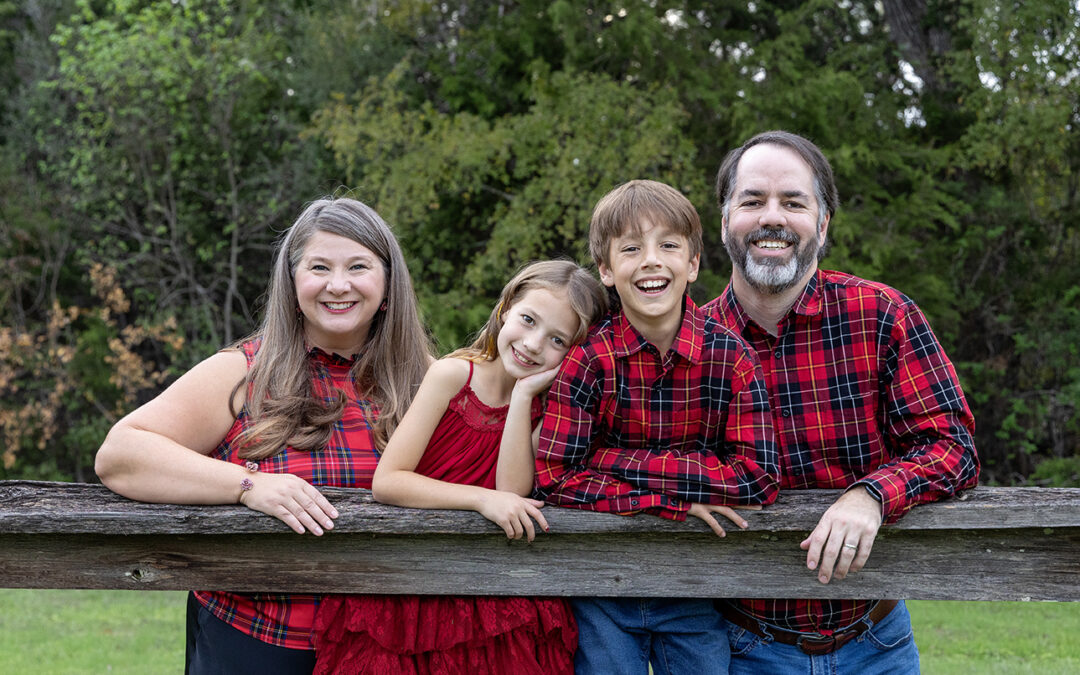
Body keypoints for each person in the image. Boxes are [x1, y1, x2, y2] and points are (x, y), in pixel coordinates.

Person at [94, 197, 434, 674]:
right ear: (292, 281)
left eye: (358, 266)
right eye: (319, 267)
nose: (338, 285)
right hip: (255, 640)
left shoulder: (433, 383)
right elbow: (122, 455)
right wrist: (249, 485)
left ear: (388, 282)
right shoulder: (242, 371)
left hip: (389, 645)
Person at [706, 130, 980, 674]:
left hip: (877, 642)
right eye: (752, 200)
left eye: (793, 202)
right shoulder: (692, 343)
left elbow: (954, 446)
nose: (772, 218)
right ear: (724, 220)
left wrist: (871, 496)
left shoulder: (881, 315)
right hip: (741, 648)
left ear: (823, 224)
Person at [311, 259, 608, 674]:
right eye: (528, 320)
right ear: (505, 309)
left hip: (496, 593)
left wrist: (522, 398)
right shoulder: (453, 375)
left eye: (557, 340)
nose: (534, 344)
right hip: (413, 587)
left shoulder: (548, 410)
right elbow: (389, 481)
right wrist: (479, 500)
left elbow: (512, 489)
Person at [534, 180, 780, 675]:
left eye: (668, 245)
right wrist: (671, 502)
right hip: (603, 586)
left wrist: (606, 461)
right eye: (631, 248)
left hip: (695, 586)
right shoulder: (589, 361)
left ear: (691, 264)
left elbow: (756, 477)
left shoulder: (731, 358)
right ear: (606, 269)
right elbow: (557, 475)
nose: (650, 260)